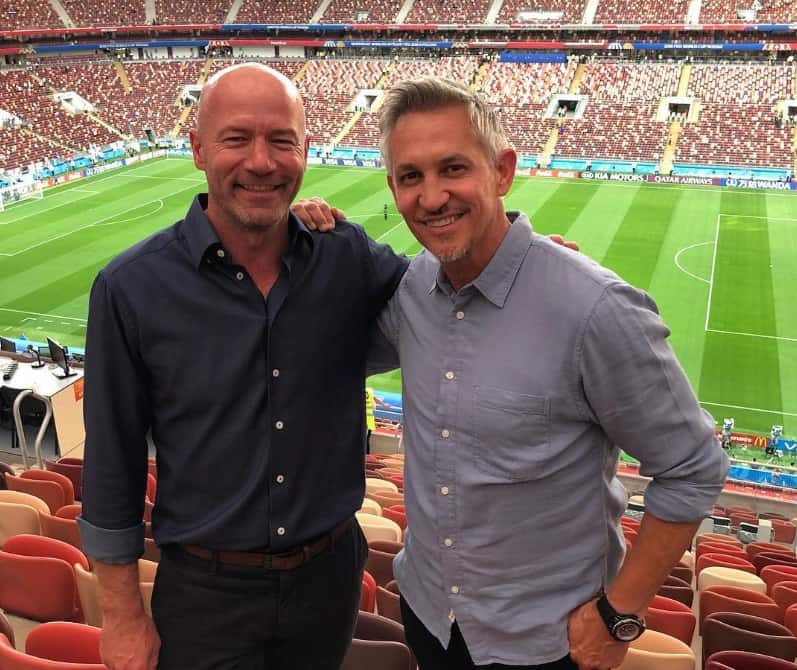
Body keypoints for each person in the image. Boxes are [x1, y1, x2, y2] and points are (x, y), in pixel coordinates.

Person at [301, 77, 729, 670]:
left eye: (453, 168)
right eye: (410, 176)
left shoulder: (594, 309)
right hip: (429, 618)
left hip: (544, 645)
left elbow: (693, 468)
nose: (431, 198)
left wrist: (618, 615)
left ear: (502, 171)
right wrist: (298, 232)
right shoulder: (413, 294)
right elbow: (325, 353)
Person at [77, 63, 407, 670]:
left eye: (281, 140)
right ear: (199, 148)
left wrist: (526, 259)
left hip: (327, 581)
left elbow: (450, 298)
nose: (261, 161)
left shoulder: (346, 257)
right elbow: (111, 463)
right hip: (204, 594)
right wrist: (121, 615)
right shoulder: (131, 288)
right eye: (236, 139)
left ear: (306, 150)